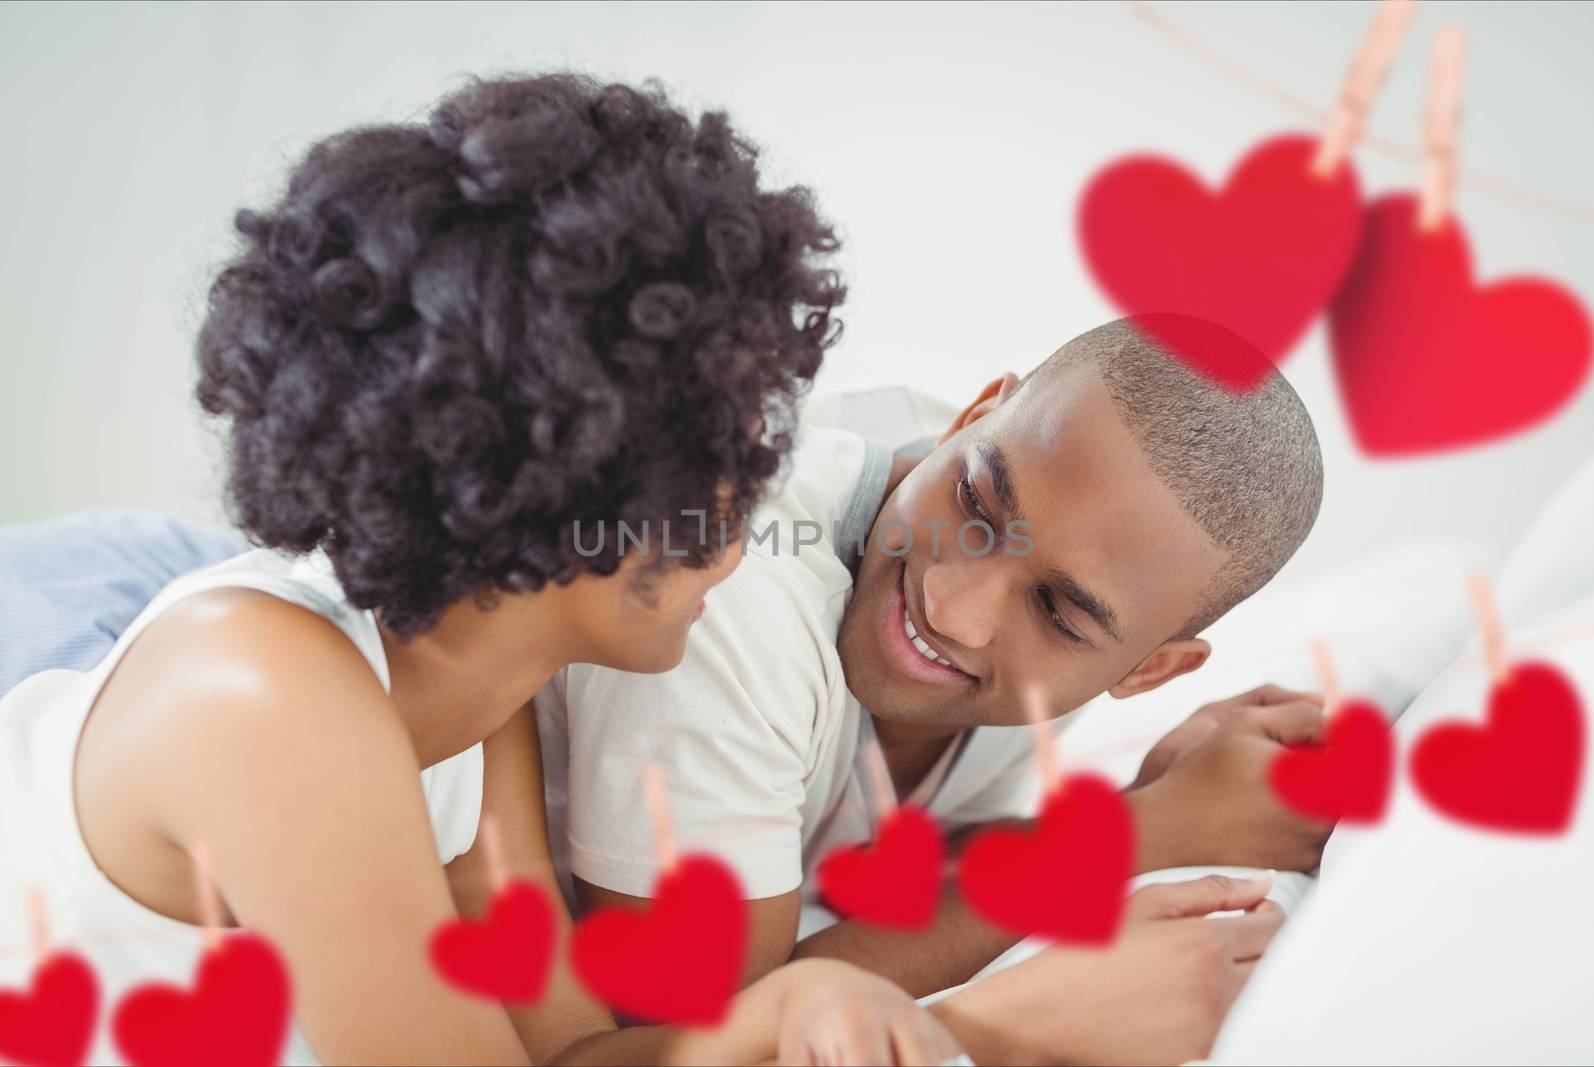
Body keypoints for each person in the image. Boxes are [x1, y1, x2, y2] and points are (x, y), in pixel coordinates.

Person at [0, 72, 964, 1066]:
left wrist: (787, 1007)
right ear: (569, 484)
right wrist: (1014, 1018)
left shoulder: (473, 705)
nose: (746, 514)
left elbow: (561, 1052)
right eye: (718, 460)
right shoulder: (264, 694)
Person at [536, 314, 1334, 1061]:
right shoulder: (732, 597)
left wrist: (1157, 794)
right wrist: (1143, 837)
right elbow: (731, 1032)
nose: (953, 606)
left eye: (1056, 612)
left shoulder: (1068, 582)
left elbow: (903, 863)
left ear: (1146, 670)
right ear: (973, 416)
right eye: (977, 507)